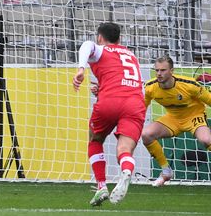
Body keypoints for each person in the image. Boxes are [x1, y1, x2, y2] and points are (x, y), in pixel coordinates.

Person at [72, 22, 145, 206]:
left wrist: (81, 69)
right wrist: (102, 88)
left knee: (95, 140)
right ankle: (127, 169)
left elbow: (87, 46)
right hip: (135, 103)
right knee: (124, 150)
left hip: (111, 101)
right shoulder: (131, 55)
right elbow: (123, 78)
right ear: (119, 39)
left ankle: (102, 186)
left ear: (100, 38)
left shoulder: (101, 49)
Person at [141, 56, 211, 186]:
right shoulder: (150, 87)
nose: (159, 74)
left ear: (171, 71)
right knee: (146, 134)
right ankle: (166, 171)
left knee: (206, 140)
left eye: (163, 70)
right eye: (157, 70)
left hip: (194, 117)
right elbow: (140, 109)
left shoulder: (189, 85)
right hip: (172, 119)